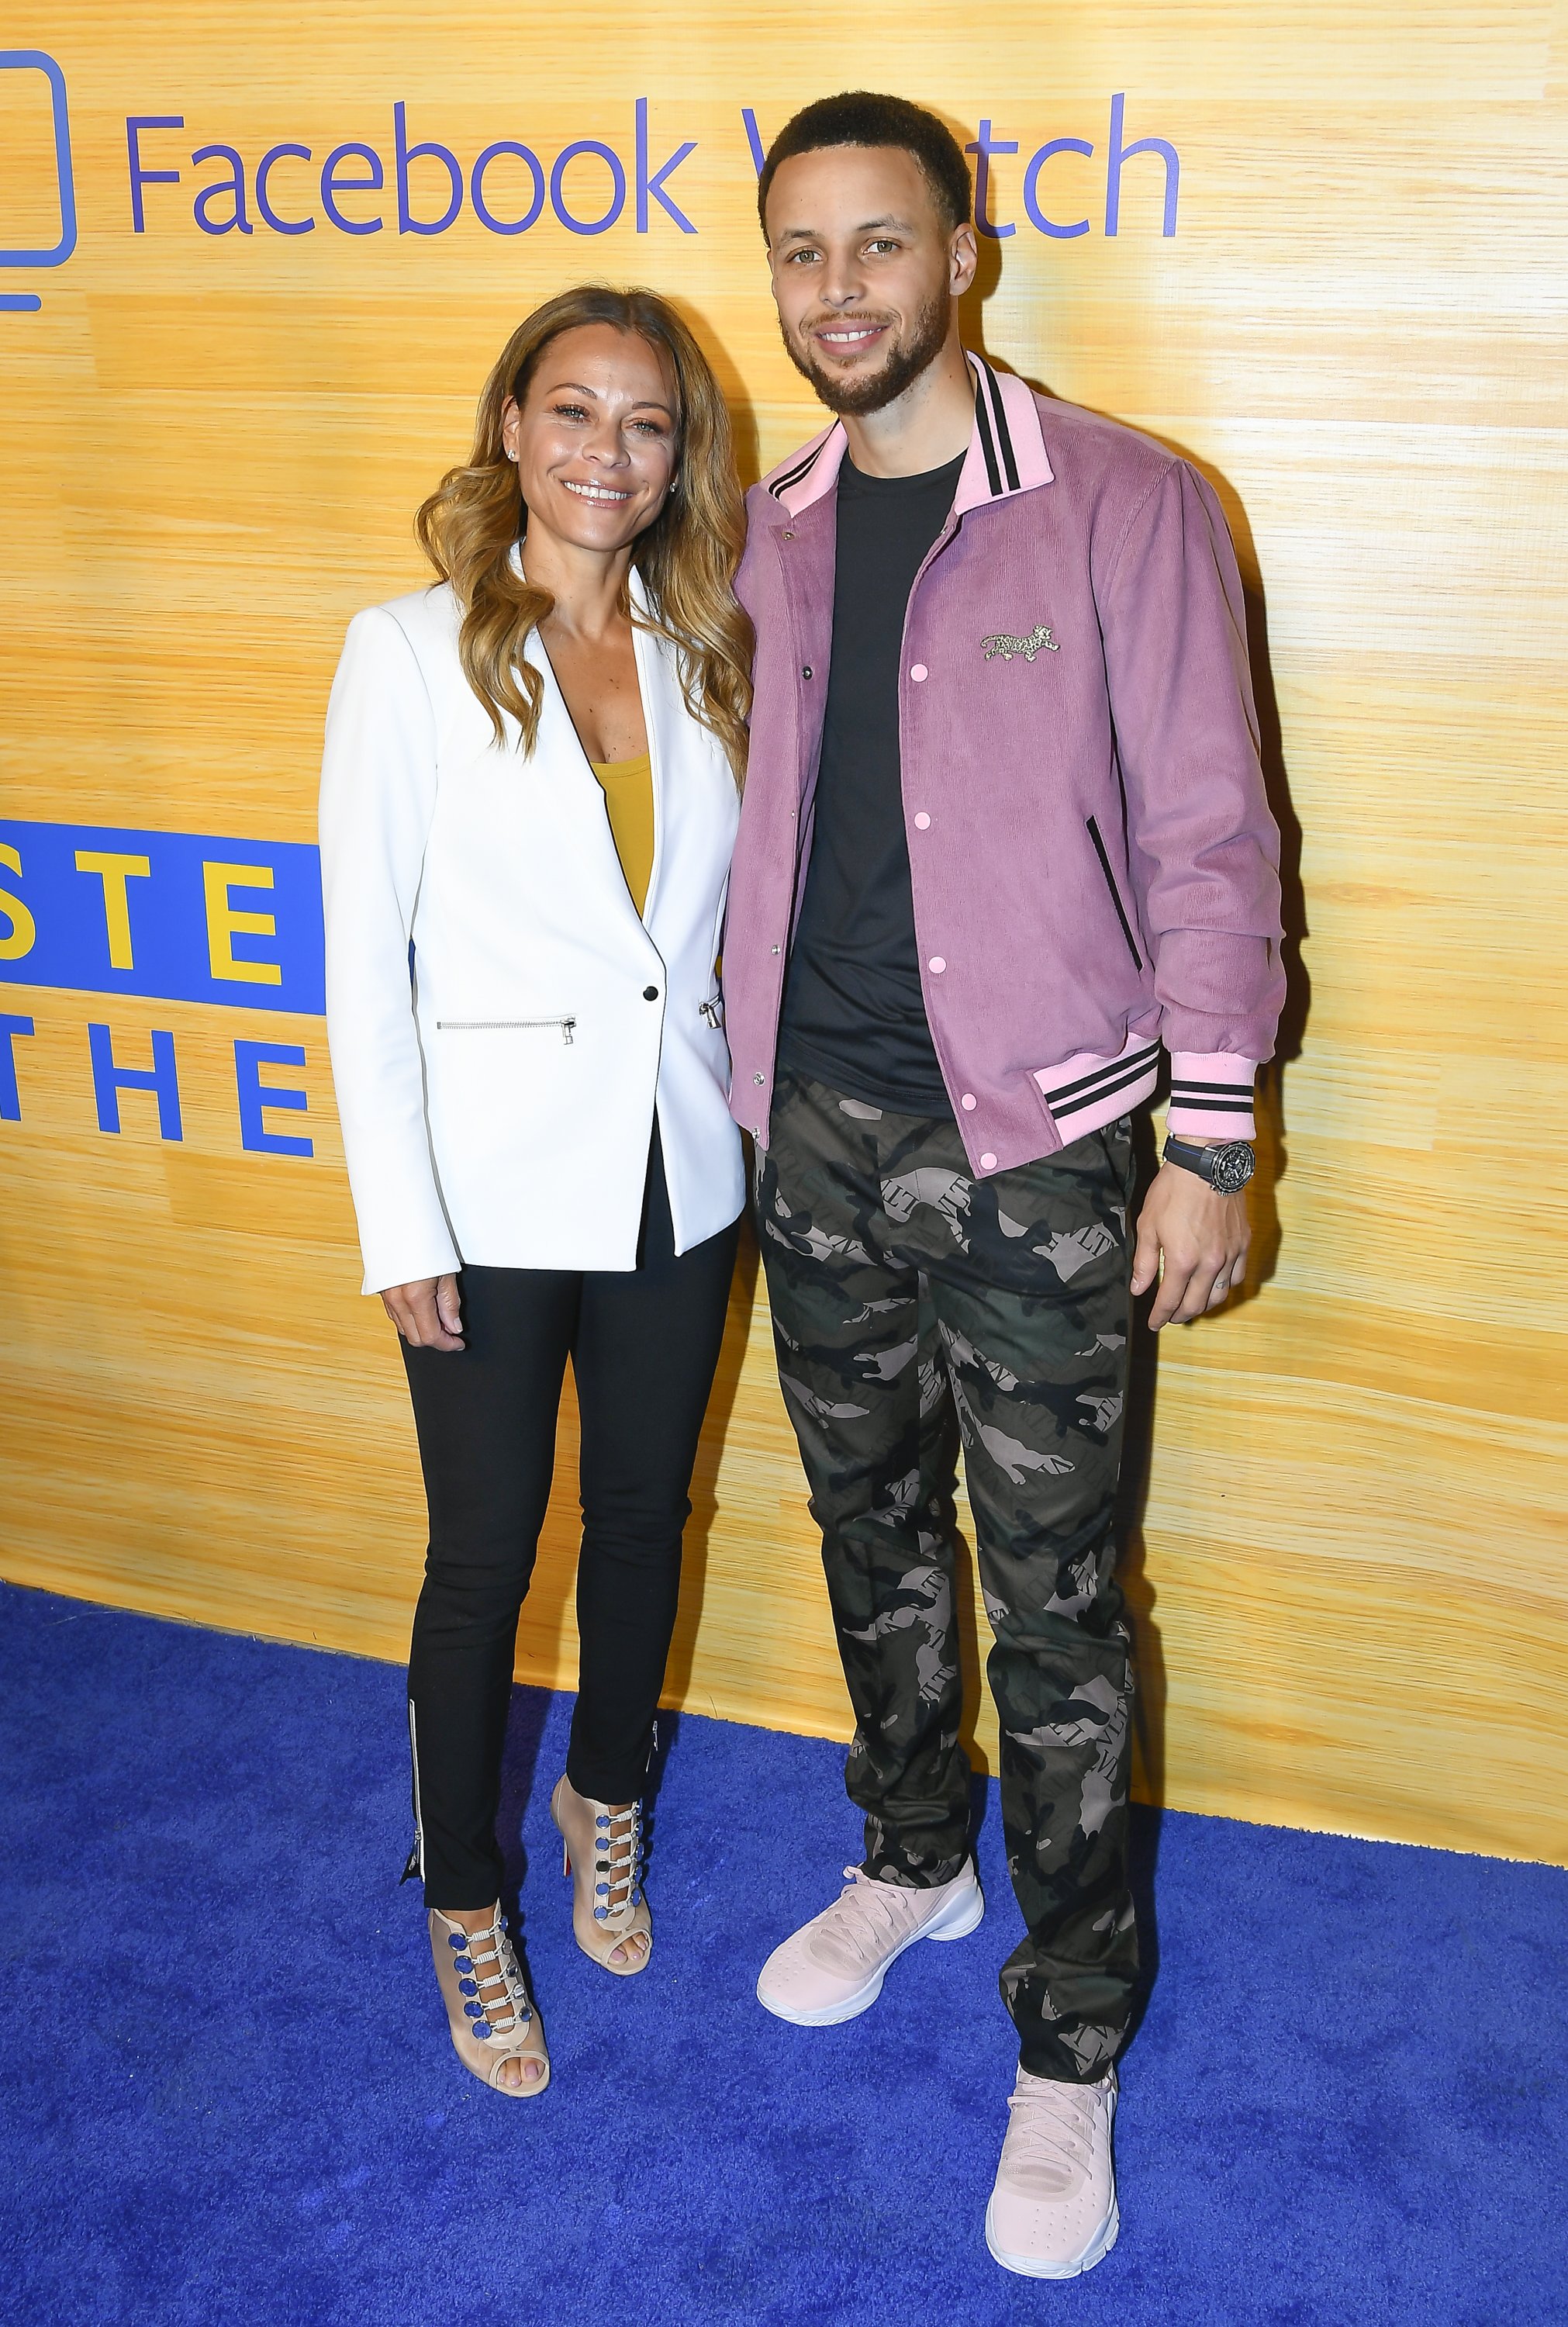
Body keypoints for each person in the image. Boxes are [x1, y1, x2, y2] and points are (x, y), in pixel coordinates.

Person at [723, 94, 1284, 2273]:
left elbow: (1211, 840)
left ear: (961, 254)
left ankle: (1068, 2039)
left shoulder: (1117, 502)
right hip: (816, 1135)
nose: (837, 290)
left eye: (878, 245)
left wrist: (1209, 1139)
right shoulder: (763, 526)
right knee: (864, 1530)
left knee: (1054, 1603)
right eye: (799, 252)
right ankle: (906, 1849)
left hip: (1041, 1146)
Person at [319, 287, 751, 2097]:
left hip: (679, 1169)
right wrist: (400, 1226)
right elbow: (364, 961)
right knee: (485, 1558)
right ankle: (469, 1895)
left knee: (649, 1525)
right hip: (487, 1195)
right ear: (510, 425)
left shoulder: (712, 643)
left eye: (644, 423)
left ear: (677, 458)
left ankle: (608, 1800)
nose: (605, 451)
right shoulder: (408, 652)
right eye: (571, 411)